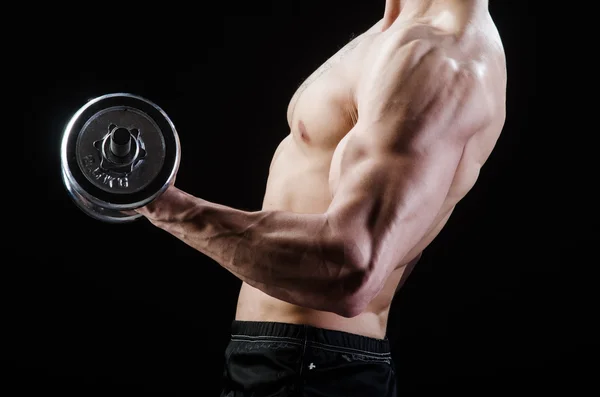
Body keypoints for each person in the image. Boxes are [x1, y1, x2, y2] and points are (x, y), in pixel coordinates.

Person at [137, 0, 506, 395]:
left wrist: (163, 204)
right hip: (288, 360)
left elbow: (350, 268)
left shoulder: (437, 58)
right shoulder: (397, 29)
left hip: (309, 369)